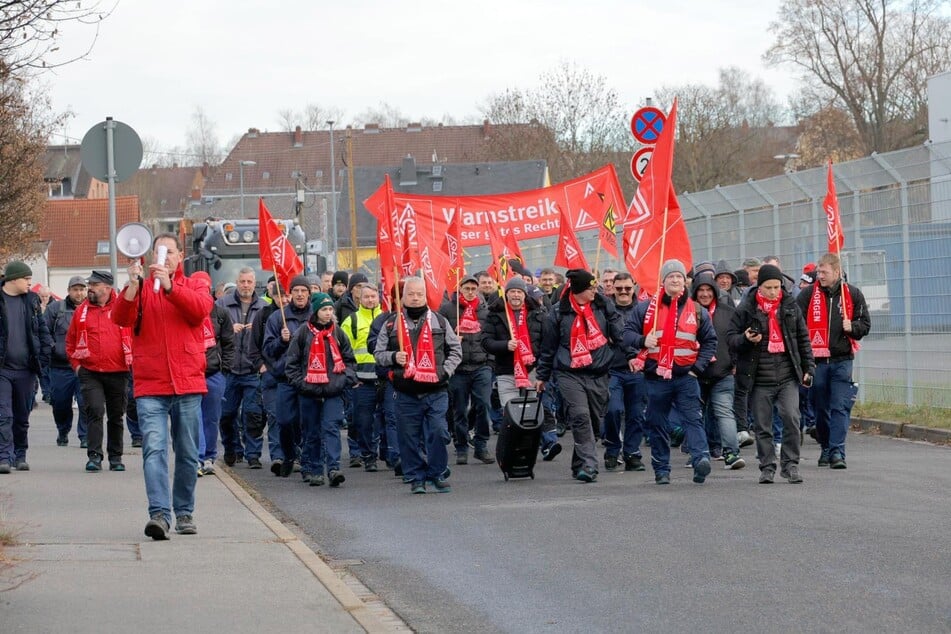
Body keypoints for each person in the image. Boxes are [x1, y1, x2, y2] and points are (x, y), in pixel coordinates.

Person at [112, 234, 212, 540]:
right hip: (151, 382)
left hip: (187, 381)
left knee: (186, 452)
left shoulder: (195, 282)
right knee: (153, 449)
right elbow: (120, 318)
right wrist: (131, 287)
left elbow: (199, 310)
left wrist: (170, 286)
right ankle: (159, 514)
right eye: (159, 252)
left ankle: (184, 512)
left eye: (169, 252)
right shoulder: (141, 287)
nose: (164, 257)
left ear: (180, 256)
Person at [625, 260, 718, 486]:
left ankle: (701, 459)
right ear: (663, 281)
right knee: (657, 424)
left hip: (686, 377)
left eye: (679, 277)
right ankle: (661, 469)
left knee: (692, 420)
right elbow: (626, 334)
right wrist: (641, 340)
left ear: (685, 281)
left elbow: (710, 341)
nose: (676, 280)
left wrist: (698, 368)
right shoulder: (646, 308)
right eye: (671, 277)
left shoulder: (697, 310)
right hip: (656, 378)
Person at [374, 277, 462, 494]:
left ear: (425, 296)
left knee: (439, 432)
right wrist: (395, 357)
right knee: (409, 437)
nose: (415, 298)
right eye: (411, 294)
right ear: (403, 297)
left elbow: (456, 351)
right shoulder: (390, 324)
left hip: (436, 390)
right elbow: (378, 355)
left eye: (419, 294)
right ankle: (416, 477)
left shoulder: (439, 321)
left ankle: (437, 473)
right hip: (406, 391)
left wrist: (444, 371)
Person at [536, 269, 625, 483]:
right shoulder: (558, 313)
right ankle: (589, 466)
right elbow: (548, 348)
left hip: (598, 372)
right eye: (591, 288)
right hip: (569, 373)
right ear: (578, 291)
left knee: (594, 424)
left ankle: (579, 463)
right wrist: (542, 376)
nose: (596, 290)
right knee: (580, 416)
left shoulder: (603, 306)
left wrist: (633, 352)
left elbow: (619, 335)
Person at [730, 264, 815, 484]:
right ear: (760, 287)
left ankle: (790, 465)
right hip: (758, 379)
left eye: (777, 287)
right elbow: (731, 339)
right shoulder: (746, 308)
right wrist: (746, 339)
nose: (774, 292)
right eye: (768, 287)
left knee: (791, 418)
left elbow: (803, 339)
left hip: (787, 376)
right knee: (762, 425)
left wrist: (808, 368)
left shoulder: (790, 306)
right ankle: (767, 467)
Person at [796, 253, 870, 469]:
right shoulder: (808, 295)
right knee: (820, 407)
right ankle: (826, 446)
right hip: (816, 361)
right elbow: (795, 323)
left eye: (824, 272)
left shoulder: (853, 294)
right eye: (818, 272)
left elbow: (864, 324)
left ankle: (838, 451)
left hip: (842, 360)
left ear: (837, 272)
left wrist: (853, 327)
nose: (820, 276)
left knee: (839, 406)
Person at [483, 277, 561, 460]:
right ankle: (513, 451)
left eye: (519, 292)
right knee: (511, 413)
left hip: (532, 370)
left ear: (524, 294)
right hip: (505, 371)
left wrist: (543, 369)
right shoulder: (495, 314)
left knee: (532, 412)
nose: (516, 295)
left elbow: (547, 343)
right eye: (512, 291)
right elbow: (485, 341)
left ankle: (541, 446)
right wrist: (504, 345)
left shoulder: (538, 313)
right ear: (507, 294)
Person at [285, 292, 357, 487]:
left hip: (333, 391)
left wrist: (342, 380)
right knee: (311, 431)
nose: (328, 313)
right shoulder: (302, 333)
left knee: (331, 428)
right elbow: (291, 364)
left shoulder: (338, 333)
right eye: (324, 309)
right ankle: (315, 469)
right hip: (309, 392)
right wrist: (303, 384)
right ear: (316, 311)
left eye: (330, 309)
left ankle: (333, 468)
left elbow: (350, 361)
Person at [66, 270, 132, 472]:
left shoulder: (122, 308)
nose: (89, 289)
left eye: (94, 285)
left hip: (118, 371)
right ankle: (94, 455)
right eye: (90, 285)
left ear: (107, 287)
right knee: (94, 410)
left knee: (116, 415)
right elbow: (71, 341)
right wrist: (77, 367)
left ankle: (115, 457)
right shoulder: (81, 311)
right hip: (90, 370)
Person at [0, 261, 52, 473]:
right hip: (3, 369)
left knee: (21, 416)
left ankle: (20, 454)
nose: (30, 284)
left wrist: (45, 353)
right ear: (13, 279)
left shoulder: (31, 301)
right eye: (27, 280)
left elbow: (41, 330)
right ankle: (4, 456)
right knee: (4, 415)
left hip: (26, 369)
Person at [691, 272, 745, 470]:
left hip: (722, 373)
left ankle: (731, 452)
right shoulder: (686, 312)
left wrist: (735, 363)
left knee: (724, 413)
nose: (705, 294)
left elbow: (737, 340)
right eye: (700, 290)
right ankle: (698, 453)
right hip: (694, 373)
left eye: (708, 290)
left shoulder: (728, 312)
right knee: (695, 415)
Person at [262, 275, 314, 479]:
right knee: (284, 421)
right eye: (296, 291)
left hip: (310, 379)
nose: (300, 294)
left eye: (303, 290)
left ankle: (308, 464)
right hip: (285, 379)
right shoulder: (278, 318)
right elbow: (267, 349)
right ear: (289, 294)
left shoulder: (315, 315)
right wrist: (282, 342)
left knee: (307, 424)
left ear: (309, 293)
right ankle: (290, 455)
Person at [439, 274, 494, 465]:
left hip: (481, 365)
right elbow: (438, 337)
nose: (470, 292)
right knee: (459, 410)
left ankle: (481, 445)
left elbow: (490, 335)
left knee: (483, 405)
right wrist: (452, 340)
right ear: (460, 289)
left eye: (473, 289)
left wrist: (490, 360)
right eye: (467, 289)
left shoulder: (484, 309)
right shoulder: (447, 309)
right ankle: (461, 446)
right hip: (458, 368)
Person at [217, 267, 267, 469]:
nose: (246, 285)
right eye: (242, 282)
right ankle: (232, 449)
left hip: (252, 370)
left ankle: (253, 454)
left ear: (255, 284)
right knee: (226, 415)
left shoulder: (263, 307)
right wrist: (229, 330)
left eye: (249, 282)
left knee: (253, 415)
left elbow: (268, 338)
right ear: (236, 283)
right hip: (228, 370)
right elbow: (211, 333)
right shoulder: (222, 305)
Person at [603, 272, 647, 472]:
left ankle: (632, 453)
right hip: (611, 370)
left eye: (627, 288)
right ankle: (612, 449)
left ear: (634, 287)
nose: (622, 292)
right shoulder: (604, 309)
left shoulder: (644, 310)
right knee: (613, 410)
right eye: (618, 288)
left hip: (638, 370)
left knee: (636, 415)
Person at [192, 272, 234, 476]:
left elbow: (228, 343)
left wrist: (224, 368)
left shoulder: (221, 313)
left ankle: (209, 455)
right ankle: (198, 458)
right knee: (194, 417)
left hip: (214, 373)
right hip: (191, 373)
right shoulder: (187, 311)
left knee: (211, 418)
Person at [340, 284, 383, 472]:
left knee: (389, 419)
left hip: (386, 379)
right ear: (360, 299)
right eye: (366, 297)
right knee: (363, 422)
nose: (370, 300)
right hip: (361, 381)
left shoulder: (388, 319)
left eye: (373, 296)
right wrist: (351, 378)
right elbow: (342, 351)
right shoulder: (351, 321)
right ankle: (368, 455)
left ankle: (390, 455)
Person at [45, 275, 89, 447]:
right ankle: (63, 430)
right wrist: (53, 347)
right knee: (60, 403)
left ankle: (84, 436)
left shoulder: (91, 309)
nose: (79, 293)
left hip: (85, 366)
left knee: (86, 403)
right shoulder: (55, 309)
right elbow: (44, 331)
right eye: (75, 289)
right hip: (60, 366)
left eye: (82, 289)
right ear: (69, 291)